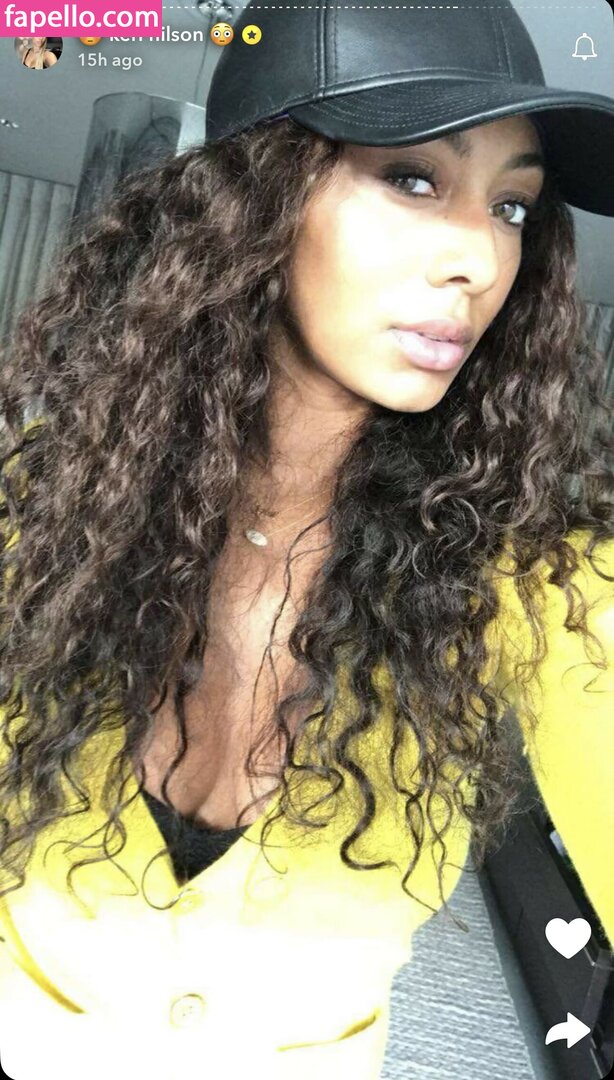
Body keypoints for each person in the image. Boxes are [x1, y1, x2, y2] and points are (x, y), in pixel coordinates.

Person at [1, 3, 613, 1078]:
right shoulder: (40, 506)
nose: (480, 255)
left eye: (512, 206)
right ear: (256, 200)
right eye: (412, 178)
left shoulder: (540, 579)